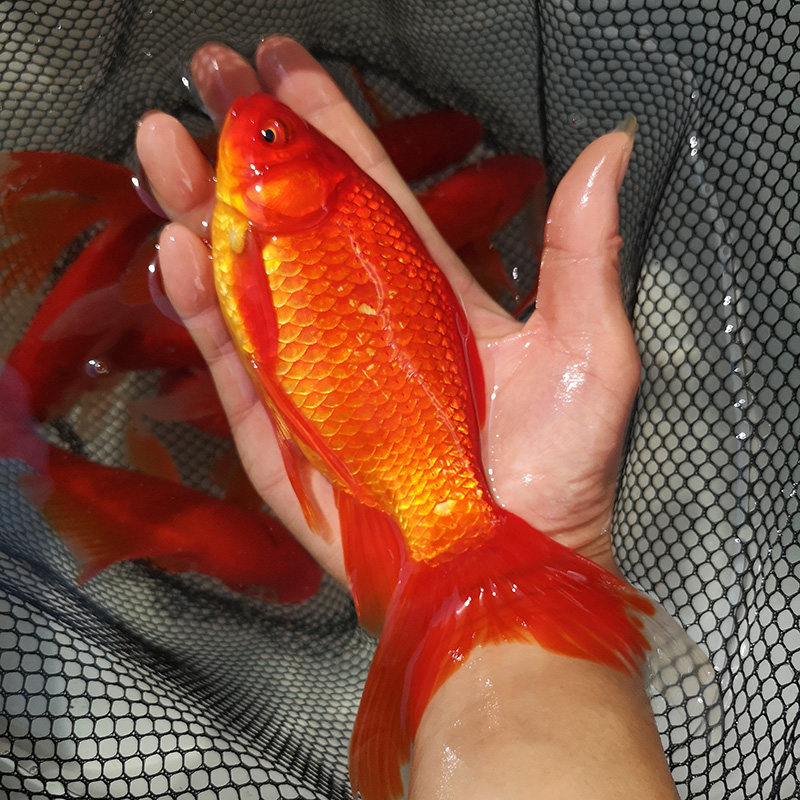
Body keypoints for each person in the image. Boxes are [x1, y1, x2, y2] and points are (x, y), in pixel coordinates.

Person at [136, 36, 679, 800]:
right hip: (390, 435)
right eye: (270, 136)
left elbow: (264, 334)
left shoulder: (283, 227)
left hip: (400, 448)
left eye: (270, 139)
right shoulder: (291, 223)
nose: (252, 138)